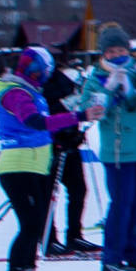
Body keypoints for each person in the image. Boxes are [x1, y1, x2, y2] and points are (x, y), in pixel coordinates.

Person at [0, 48, 98, 271]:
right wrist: (78, 116)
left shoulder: (29, 92)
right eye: (43, 70)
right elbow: (35, 121)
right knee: (31, 225)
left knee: (36, 225)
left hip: (33, 166)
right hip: (18, 167)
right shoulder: (16, 92)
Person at [80, 24, 136, 271]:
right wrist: (109, 89)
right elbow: (92, 111)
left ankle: (135, 254)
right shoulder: (96, 78)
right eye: (110, 51)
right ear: (103, 54)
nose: (116, 54)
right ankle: (112, 258)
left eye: (120, 49)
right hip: (119, 150)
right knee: (121, 204)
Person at [43, 47, 100, 255]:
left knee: (78, 189)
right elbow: (46, 113)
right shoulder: (41, 82)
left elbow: (74, 105)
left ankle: (74, 235)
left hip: (70, 142)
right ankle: (49, 238)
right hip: (51, 144)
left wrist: (77, 131)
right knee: (49, 192)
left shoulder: (66, 79)